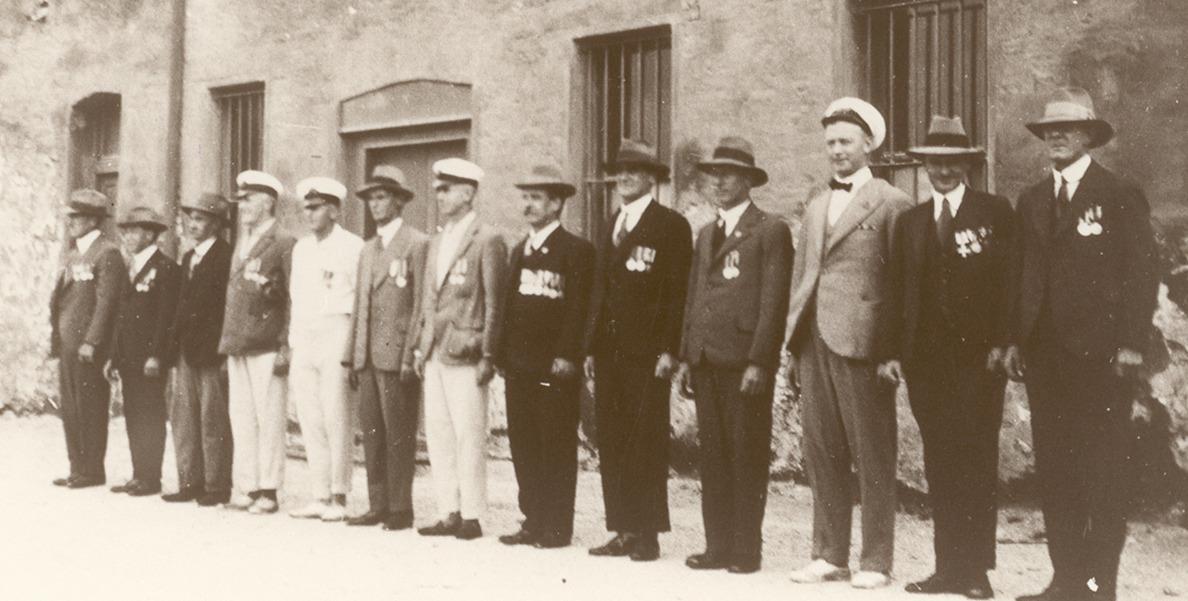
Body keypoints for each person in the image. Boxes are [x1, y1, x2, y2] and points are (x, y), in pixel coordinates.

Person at [1004, 87, 1159, 601]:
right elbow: (1022, 276)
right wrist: (1014, 339)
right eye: (1048, 130)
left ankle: (1098, 587)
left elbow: (1141, 273)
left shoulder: (1117, 193)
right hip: (1046, 359)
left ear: (1090, 136)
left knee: (1103, 473)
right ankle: (1065, 581)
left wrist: (1133, 344)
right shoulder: (1031, 199)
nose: (1056, 138)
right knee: (1056, 472)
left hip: (1102, 360)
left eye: (1067, 130)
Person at [878, 116, 1015, 599]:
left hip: (978, 363)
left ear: (968, 165)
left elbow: (1009, 285)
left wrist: (1002, 342)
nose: (943, 170)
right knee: (940, 462)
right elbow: (897, 293)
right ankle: (946, 568)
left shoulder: (994, 211)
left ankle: (975, 572)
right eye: (935, 162)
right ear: (924, 166)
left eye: (953, 162)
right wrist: (892, 352)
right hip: (925, 364)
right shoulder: (911, 222)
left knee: (975, 460)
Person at [785, 97, 912, 589]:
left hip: (863, 342)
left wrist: (891, 349)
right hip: (814, 339)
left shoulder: (891, 202)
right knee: (821, 448)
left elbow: (901, 283)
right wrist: (793, 343)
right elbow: (804, 275)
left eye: (845, 141)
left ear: (868, 144)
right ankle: (829, 552)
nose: (837, 151)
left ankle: (876, 559)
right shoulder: (816, 204)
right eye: (830, 143)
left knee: (873, 450)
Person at [675, 137, 792, 574]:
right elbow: (694, 296)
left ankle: (746, 550)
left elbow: (773, 301)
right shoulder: (706, 232)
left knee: (746, 455)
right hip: (706, 359)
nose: (719, 181)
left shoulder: (770, 229)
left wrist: (761, 361)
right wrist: (689, 355)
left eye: (728, 173)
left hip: (744, 363)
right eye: (713, 173)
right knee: (714, 457)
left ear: (747, 180)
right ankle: (717, 545)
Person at [585, 139, 692, 562]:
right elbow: (601, 291)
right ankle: (622, 527)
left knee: (645, 440)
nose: (623, 176)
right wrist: (591, 346)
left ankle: (647, 532)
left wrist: (670, 349)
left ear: (652, 177)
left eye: (633, 169)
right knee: (612, 439)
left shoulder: (670, 224)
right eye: (619, 169)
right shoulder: (613, 221)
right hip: (610, 353)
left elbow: (677, 293)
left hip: (648, 353)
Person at [494, 165, 594, 550]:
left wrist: (569, 354)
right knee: (524, 443)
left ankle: (556, 525)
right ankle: (532, 519)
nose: (528, 205)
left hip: (554, 365)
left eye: (536, 198)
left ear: (556, 204)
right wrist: (502, 354)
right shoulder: (521, 249)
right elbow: (509, 306)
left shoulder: (576, 250)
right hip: (519, 363)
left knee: (555, 443)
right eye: (525, 197)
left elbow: (579, 309)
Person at [412, 158, 507, 540]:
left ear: (468, 193)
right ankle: (447, 509)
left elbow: (496, 302)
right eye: (438, 188)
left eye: (446, 189)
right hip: (436, 350)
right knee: (438, 432)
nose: (439, 195)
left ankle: (471, 513)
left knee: (469, 433)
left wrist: (489, 354)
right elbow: (428, 299)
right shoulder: (437, 240)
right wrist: (420, 348)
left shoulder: (487, 239)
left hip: (467, 349)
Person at [343, 165, 428, 531]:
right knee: (373, 434)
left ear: (399, 201)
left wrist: (413, 354)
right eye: (370, 199)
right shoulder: (367, 249)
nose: (375, 206)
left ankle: (400, 507)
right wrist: (351, 356)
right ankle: (377, 503)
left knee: (398, 433)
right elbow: (359, 305)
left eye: (381, 197)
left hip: (397, 357)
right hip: (366, 356)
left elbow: (421, 304)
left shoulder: (416, 244)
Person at [286, 177, 363, 522]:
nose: (309, 213)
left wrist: (352, 349)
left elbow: (359, 302)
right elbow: (296, 298)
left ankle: (339, 494)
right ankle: (318, 492)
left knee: (336, 415)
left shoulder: (353, 246)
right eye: (306, 207)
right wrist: (293, 342)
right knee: (310, 417)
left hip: (337, 332)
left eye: (316, 208)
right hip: (305, 335)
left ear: (334, 210)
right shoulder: (302, 249)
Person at [219, 169, 295, 515]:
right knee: (243, 417)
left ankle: (269, 489)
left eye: (249, 199)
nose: (243, 206)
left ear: (268, 202)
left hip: (267, 342)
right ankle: (246, 486)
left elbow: (292, 297)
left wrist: (285, 344)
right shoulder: (244, 239)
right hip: (239, 342)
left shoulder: (283, 241)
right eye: (242, 200)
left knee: (269, 418)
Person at [50, 188, 124, 489]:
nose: (71, 222)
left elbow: (106, 302)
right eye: (71, 217)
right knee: (70, 407)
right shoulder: (73, 253)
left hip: (87, 347)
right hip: (68, 342)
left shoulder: (107, 253)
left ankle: (92, 469)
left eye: (77, 217)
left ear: (94, 220)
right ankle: (76, 466)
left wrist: (92, 341)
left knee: (90, 406)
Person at [165, 192, 234, 506]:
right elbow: (181, 306)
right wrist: (173, 345)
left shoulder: (225, 257)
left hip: (211, 350)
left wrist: (223, 349)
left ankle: (216, 485)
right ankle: (189, 480)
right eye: (191, 218)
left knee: (212, 419)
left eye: (201, 219)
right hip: (187, 350)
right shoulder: (188, 258)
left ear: (217, 224)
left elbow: (226, 308)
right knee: (184, 417)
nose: (194, 225)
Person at [108, 206, 181, 498]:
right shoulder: (131, 267)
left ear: (150, 234)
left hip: (150, 359)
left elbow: (166, 318)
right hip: (128, 356)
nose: (126, 236)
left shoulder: (165, 269)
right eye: (124, 231)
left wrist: (157, 355)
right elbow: (121, 316)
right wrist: (114, 356)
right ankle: (139, 473)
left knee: (150, 414)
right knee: (133, 413)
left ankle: (151, 477)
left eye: (133, 230)